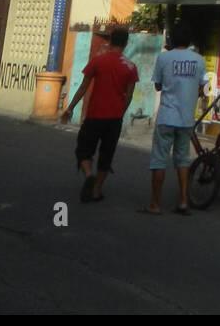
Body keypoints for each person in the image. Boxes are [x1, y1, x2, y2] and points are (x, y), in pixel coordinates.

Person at [62, 27, 138, 203]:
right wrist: (120, 112)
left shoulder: (98, 61)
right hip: (114, 118)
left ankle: (89, 174)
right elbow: (129, 95)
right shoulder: (131, 67)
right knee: (106, 155)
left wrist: (70, 107)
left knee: (83, 149)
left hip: (95, 115)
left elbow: (82, 87)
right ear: (126, 44)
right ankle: (96, 191)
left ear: (110, 41)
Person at [143, 24, 207, 216]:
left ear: (171, 40)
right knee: (183, 161)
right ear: (189, 41)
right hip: (186, 119)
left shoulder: (163, 58)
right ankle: (183, 202)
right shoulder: (199, 60)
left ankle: (155, 204)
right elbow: (203, 88)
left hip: (166, 117)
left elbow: (157, 86)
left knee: (159, 160)